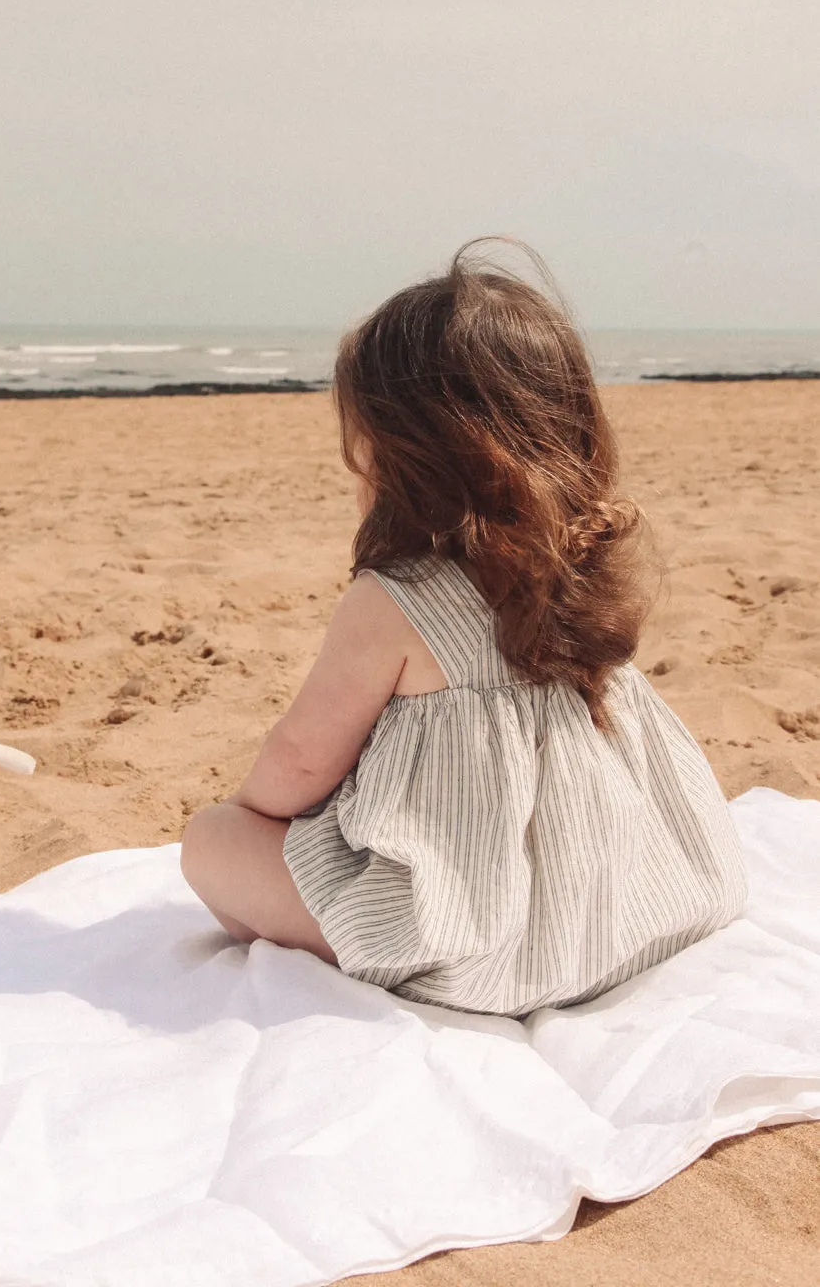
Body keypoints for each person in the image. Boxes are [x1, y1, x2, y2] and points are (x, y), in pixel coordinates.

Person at [180, 241, 748, 1016]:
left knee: (211, 841)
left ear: (397, 453)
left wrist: (252, 812)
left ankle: (343, 955)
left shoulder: (396, 600)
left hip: (475, 948)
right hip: (631, 906)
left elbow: (302, 758)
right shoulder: (587, 567)